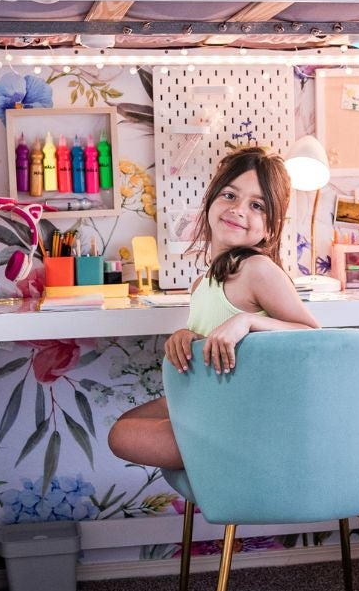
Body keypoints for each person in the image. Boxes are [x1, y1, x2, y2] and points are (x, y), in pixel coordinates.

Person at [108, 147, 319, 471]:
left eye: (256, 205)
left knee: (122, 435)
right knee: (127, 423)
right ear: (210, 201)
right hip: (215, 406)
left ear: (271, 228)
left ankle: (229, 464)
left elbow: (312, 336)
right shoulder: (202, 284)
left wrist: (246, 321)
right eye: (230, 195)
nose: (238, 209)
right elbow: (214, 335)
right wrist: (189, 337)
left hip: (242, 425)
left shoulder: (257, 269)